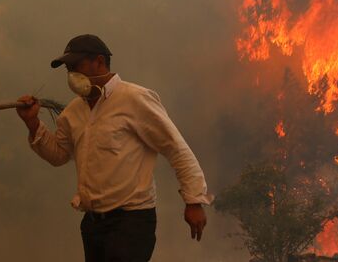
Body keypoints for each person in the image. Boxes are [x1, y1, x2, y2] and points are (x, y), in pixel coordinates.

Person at [16, 34, 213, 262]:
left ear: (99, 61)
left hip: (131, 222)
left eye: (76, 65)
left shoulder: (135, 99)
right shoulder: (73, 112)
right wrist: (32, 123)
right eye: (67, 68)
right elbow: (59, 154)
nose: (71, 74)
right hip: (92, 224)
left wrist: (194, 201)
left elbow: (176, 148)